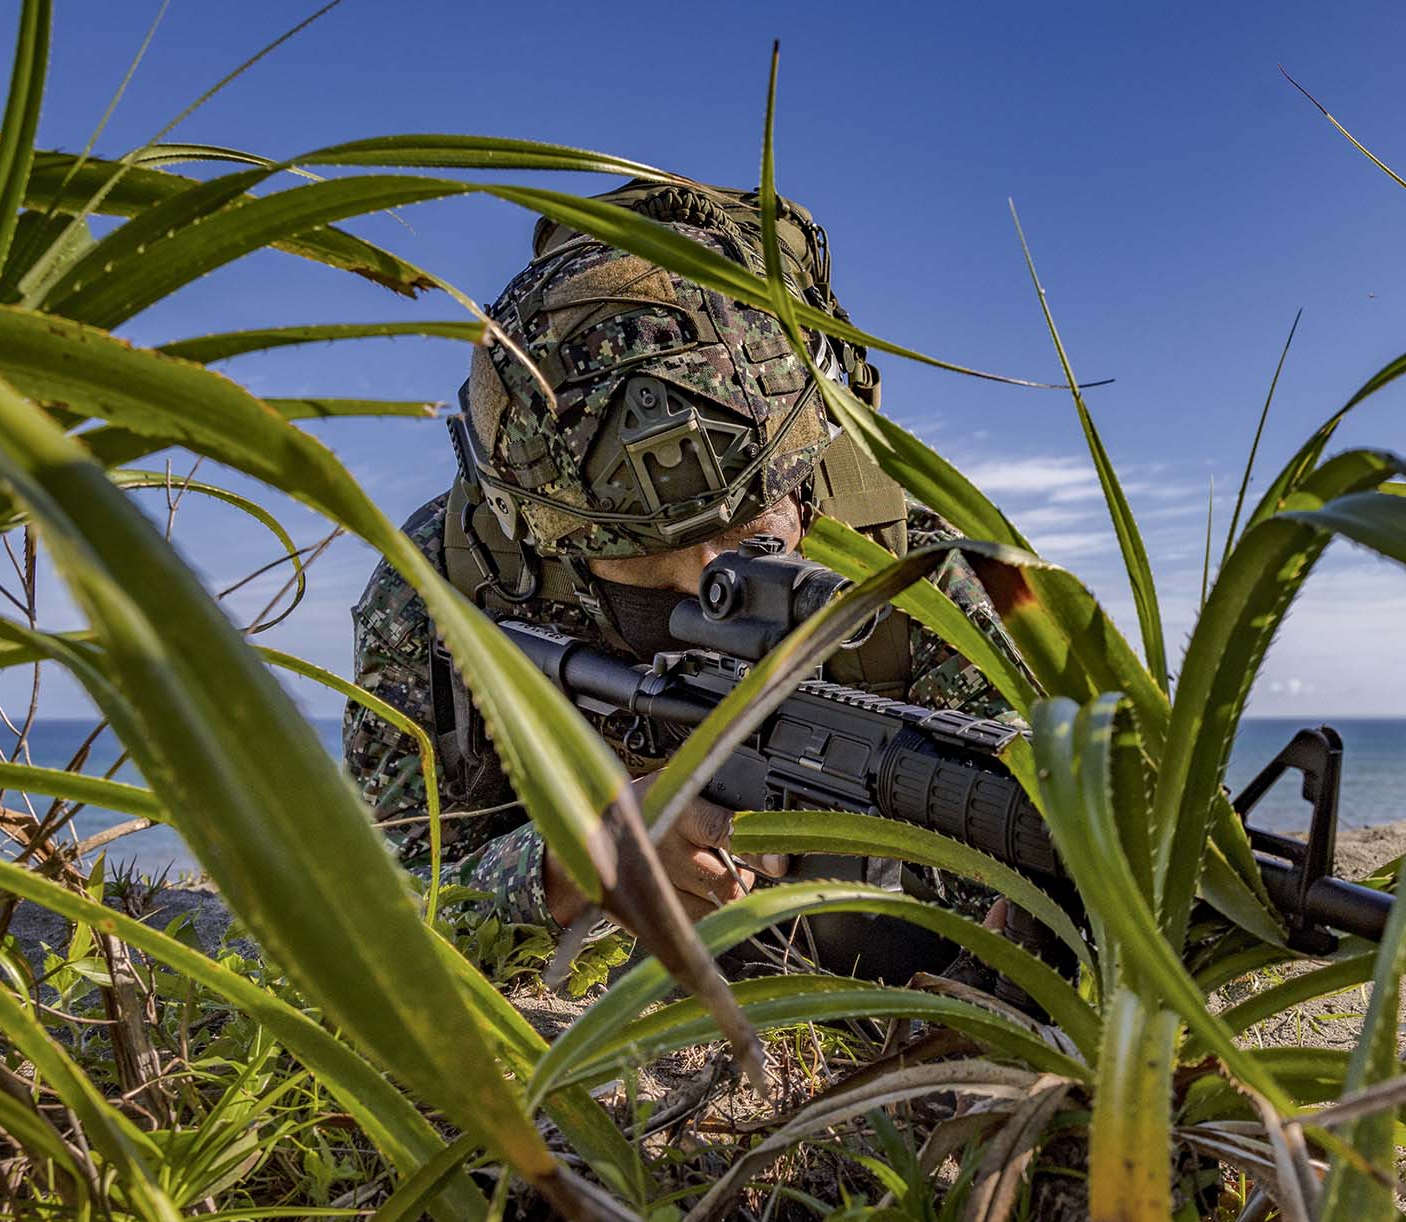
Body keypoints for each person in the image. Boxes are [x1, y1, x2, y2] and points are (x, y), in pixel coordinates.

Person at [342, 181, 1026, 975]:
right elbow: (373, 931)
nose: (715, 592)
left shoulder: (915, 577)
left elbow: (1034, 853)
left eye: (756, 546)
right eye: (647, 585)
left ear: (801, 475)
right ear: (556, 546)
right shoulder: (444, 591)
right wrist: (575, 865)